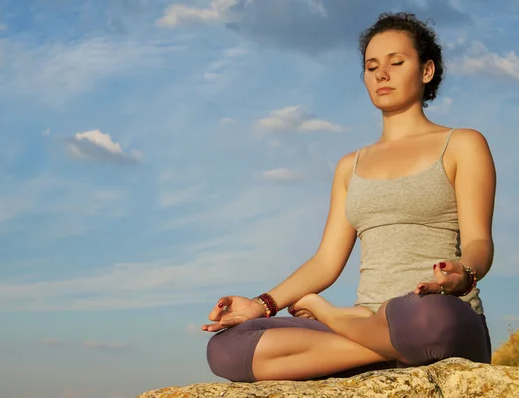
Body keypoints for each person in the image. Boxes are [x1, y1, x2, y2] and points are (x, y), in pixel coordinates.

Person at [201, 12, 496, 382]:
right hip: (368, 319)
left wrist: (463, 276)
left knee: (427, 318)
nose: (381, 75)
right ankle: (387, 348)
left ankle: (334, 318)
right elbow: (326, 261)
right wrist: (262, 305)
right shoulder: (349, 166)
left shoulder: (463, 144)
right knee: (228, 347)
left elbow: (479, 242)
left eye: (396, 63)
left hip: (439, 315)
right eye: (371, 67)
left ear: (426, 70)